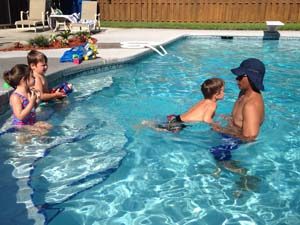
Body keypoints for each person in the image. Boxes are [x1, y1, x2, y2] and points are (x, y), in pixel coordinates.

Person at [142, 78, 225, 132]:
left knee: (161, 125)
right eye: (223, 91)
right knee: (157, 128)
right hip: (181, 124)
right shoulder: (212, 104)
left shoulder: (203, 101)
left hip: (177, 118)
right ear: (217, 94)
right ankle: (146, 124)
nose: (224, 93)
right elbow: (206, 119)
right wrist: (216, 126)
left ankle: (149, 123)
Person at [213, 58, 265, 141]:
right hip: (229, 136)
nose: (236, 79)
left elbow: (250, 138)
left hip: (236, 145)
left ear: (252, 77)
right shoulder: (243, 93)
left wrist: (221, 131)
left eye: (240, 76)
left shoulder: (251, 106)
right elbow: (239, 119)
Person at [3, 64, 52, 135]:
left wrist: (37, 99)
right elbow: (20, 116)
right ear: (24, 79)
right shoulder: (15, 97)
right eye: (32, 77)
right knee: (42, 132)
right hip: (20, 126)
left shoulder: (29, 92)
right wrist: (32, 102)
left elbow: (32, 108)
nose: (35, 78)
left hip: (31, 122)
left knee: (48, 126)